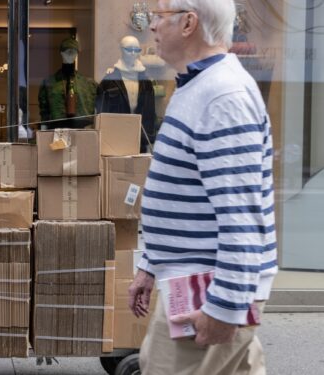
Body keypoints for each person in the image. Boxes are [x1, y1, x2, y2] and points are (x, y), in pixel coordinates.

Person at [128, 1, 277, 374]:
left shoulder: (222, 96)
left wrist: (224, 309)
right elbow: (189, 195)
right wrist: (150, 264)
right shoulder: (201, 86)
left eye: (159, 17)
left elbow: (242, 218)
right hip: (194, 282)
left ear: (188, 23)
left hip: (204, 290)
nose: (152, 27)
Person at [96, 35, 156, 152]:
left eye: (136, 50)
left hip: (140, 140)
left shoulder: (146, 83)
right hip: (115, 141)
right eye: (129, 50)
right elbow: (101, 115)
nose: (133, 53)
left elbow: (150, 114)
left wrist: (148, 138)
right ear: (121, 50)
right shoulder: (109, 82)